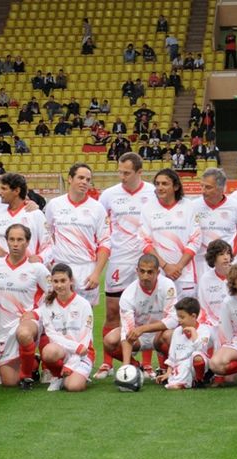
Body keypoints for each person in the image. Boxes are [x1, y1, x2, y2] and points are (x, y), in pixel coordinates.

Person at [95, 153, 156, 379]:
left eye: (127, 173)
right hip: (119, 259)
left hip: (146, 258)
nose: (122, 176)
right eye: (120, 172)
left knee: (146, 313)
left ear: (140, 172)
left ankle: (148, 364)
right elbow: (97, 219)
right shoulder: (109, 195)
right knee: (112, 312)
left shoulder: (152, 192)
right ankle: (107, 363)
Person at [0, 224, 51, 389]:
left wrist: (36, 313)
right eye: (11, 239)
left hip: (26, 322)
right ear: (6, 241)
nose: (15, 244)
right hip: (2, 327)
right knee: (9, 382)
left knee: (23, 333)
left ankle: (27, 377)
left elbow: (54, 293)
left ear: (27, 242)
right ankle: (33, 361)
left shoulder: (36, 268)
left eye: (20, 239)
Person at [45, 163, 110, 307]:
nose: (84, 182)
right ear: (69, 179)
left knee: (85, 320)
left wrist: (96, 273)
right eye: (80, 178)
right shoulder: (54, 205)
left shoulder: (98, 208)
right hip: (61, 268)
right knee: (58, 316)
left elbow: (105, 242)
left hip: (86, 270)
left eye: (88, 180)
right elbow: (47, 235)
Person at [102, 253, 178, 375]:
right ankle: (133, 367)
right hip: (137, 338)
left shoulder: (167, 286)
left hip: (159, 335)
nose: (145, 276)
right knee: (110, 340)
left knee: (171, 335)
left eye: (149, 272)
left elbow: (173, 320)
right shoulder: (128, 294)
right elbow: (127, 332)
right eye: (142, 271)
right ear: (137, 271)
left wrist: (143, 328)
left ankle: (168, 368)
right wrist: (125, 368)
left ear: (158, 273)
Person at [139, 168, 201, 297]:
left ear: (176, 186)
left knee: (186, 315)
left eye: (165, 184)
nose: (160, 187)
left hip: (185, 274)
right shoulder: (147, 209)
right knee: (160, 316)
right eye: (157, 184)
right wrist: (165, 266)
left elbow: (195, 240)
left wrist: (178, 266)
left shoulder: (189, 206)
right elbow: (144, 242)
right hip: (159, 274)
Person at [34, 264, 95, 392]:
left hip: (83, 354)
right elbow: (52, 336)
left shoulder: (83, 304)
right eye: (55, 281)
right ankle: (58, 376)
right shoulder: (47, 304)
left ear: (71, 281)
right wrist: (74, 349)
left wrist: (72, 364)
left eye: (63, 281)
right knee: (48, 351)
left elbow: (85, 340)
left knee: (73, 387)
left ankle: (74, 375)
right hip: (62, 351)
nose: (59, 285)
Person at [191, 168, 237, 279]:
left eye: (208, 187)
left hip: (228, 265)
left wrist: (233, 257)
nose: (203, 190)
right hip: (201, 264)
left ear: (221, 188)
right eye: (202, 186)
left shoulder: (236, 207)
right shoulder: (193, 206)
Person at [0, 173, 51, 264]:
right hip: (3, 271)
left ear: (16, 191)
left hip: (28, 271)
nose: (0, 192)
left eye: (4, 189)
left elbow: (49, 246)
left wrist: (41, 258)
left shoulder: (36, 214)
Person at [156, 297, 213, 389]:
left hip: (197, 365)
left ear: (194, 316)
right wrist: (168, 373)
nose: (179, 320)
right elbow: (172, 356)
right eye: (178, 317)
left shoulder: (204, 330)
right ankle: (181, 381)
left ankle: (199, 380)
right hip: (181, 366)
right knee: (180, 369)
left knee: (197, 356)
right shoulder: (177, 331)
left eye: (182, 317)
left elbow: (200, 348)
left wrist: (193, 332)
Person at [197, 239, 232, 329]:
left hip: (236, 325)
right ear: (213, 258)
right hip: (212, 325)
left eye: (228, 253)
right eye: (221, 254)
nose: (226, 257)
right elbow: (203, 307)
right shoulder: (205, 279)